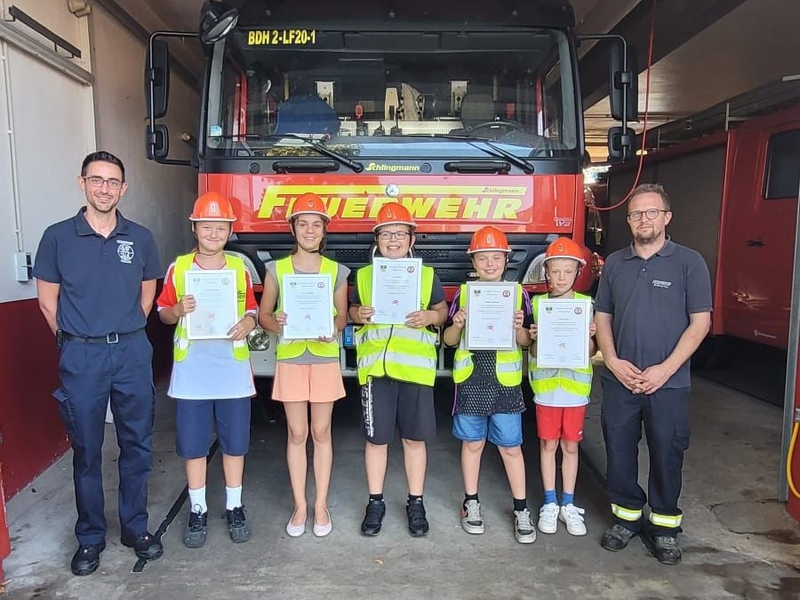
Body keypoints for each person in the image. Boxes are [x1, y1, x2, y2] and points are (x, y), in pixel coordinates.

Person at [33, 151, 163, 576]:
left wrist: (123, 330)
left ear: (123, 188)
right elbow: (48, 302)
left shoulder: (139, 237)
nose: (105, 188)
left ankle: (134, 527)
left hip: (130, 351)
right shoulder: (57, 237)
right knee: (87, 450)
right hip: (82, 354)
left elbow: (148, 294)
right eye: (97, 180)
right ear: (82, 183)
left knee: (137, 445)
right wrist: (75, 339)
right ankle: (90, 537)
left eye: (113, 182)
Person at [594, 183, 712, 565]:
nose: (643, 219)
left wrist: (665, 369)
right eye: (635, 214)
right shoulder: (614, 263)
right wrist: (611, 360)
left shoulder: (689, 262)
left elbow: (700, 323)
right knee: (620, 452)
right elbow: (603, 317)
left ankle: (664, 528)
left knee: (667, 453)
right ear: (627, 221)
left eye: (651, 212)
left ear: (666, 217)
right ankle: (626, 518)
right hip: (620, 381)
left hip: (669, 382)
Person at [156, 192, 258, 548]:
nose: (214, 233)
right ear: (195, 228)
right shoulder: (179, 268)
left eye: (221, 227)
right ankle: (197, 508)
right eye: (207, 226)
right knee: (194, 446)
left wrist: (249, 322)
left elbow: (252, 311)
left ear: (230, 230)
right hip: (192, 374)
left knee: (234, 445)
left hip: (231, 369)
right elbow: (163, 313)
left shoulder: (239, 269)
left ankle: (234, 504)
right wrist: (178, 310)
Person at [349, 202, 448, 537]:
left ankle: (415, 502)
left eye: (400, 234)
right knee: (376, 440)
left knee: (413, 439)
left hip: (415, 373)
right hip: (376, 372)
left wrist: (431, 318)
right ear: (377, 239)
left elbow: (442, 310)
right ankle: (375, 502)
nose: (394, 240)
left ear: (411, 239)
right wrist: (356, 313)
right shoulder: (363, 276)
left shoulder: (426, 275)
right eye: (387, 234)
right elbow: (351, 310)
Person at [259, 193, 348, 538]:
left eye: (316, 224)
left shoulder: (336, 271)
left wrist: (333, 328)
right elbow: (264, 316)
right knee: (296, 433)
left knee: (321, 432)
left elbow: (341, 317)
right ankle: (300, 506)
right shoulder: (276, 270)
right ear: (293, 228)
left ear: (324, 230)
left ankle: (321, 504)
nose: (309, 230)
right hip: (291, 357)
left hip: (323, 357)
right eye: (302, 223)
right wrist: (277, 322)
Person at [442, 226, 536, 544]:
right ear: (474, 261)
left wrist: (521, 328)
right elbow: (449, 341)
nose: (490, 263)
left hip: (505, 382)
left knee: (511, 447)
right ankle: (471, 502)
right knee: (472, 445)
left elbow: (525, 343)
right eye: (483, 257)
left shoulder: (518, 293)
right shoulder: (464, 294)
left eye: (496, 257)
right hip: (472, 381)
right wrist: (456, 324)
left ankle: (521, 509)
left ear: (506, 259)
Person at [528, 237, 596, 537]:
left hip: (575, 392)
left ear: (577, 273)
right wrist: (534, 336)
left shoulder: (586, 306)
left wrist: (590, 335)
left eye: (567, 271)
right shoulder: (537, 305)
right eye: (555, 271)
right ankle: (550, 502)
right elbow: (531, 351)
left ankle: (569, 503)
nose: (561, 277)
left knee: (570, 446)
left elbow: (592, 351)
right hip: (546, 391)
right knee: (547, 445)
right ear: (547, 273)